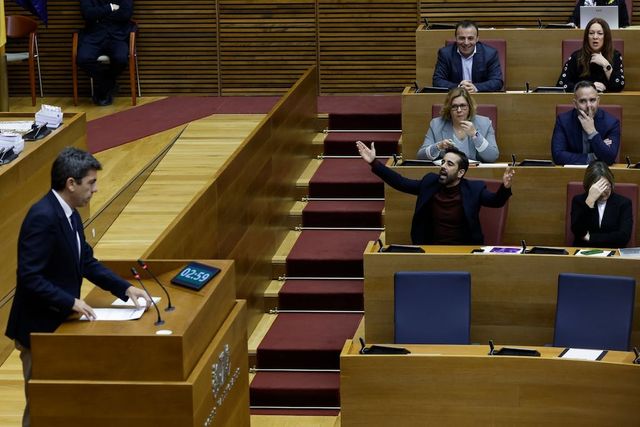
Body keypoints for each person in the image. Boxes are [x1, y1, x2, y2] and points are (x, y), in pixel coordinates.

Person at [5, 147, 151, 427]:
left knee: (62, 403)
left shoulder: (71, 214)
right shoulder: (42, 217)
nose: (95, 190)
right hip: (39, 330)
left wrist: (125, 289)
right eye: (91, 183)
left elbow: (86, 262)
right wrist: (71, 301)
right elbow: (29, 277)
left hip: (61, 324)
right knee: (40, 408)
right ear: (71, 183)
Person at [356, 141, 514, 245]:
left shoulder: (474, 189)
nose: (443, 166)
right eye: (443, 162)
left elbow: (496, 201)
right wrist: (374, 163)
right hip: (430, 249)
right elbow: (401, 182)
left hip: (464, 251)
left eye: (450, 164)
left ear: (460, 173)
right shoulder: (430, 182)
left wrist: (505, 187)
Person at [417, 87, 499, 162]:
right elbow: (421, 156)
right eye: (454, 106)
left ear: (469, 107)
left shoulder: (485, 123)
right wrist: (438, 146)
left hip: (476, 173)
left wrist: (475, 135)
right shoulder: (436, 124)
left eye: (463, 106)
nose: (459, 110)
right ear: (449, 108)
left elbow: (492, 156)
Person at [77, 0, 134, 106]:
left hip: (117, 37)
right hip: (94, 36)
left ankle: (104, 86)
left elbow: (125, 14)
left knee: (121, 59)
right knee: (83, 58)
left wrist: (98, 17)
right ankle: (109, 83)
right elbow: (88, 14)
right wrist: (110, 8)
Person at [551, 80, 620, 165]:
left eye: (592, 100)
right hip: (570, 172)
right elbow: (558, 156)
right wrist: (593, 157)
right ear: (575, 104)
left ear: (598, 101)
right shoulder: (563, 121)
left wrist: (592, 132)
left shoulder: (611, 123)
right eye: (583, 101)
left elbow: (609, 158)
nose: (588, 106)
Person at [571, 160, 632, 248]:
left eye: (606, 186)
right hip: (584, 252)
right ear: (589, 187)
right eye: (599, 187)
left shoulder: (623, 203)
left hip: (614, 254)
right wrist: (589, 201)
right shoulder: (579, 201)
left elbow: (623, 237)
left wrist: (591, 238)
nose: (603, 192)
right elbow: (578, 232)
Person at [432, 20, 503, 93]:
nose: (466, 43)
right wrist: (459, 88)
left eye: (470, 38)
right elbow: (437, 81)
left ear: (477, 39)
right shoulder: (445, 54)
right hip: (455, 99)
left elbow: (497, 82)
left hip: (481, 97)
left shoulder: (490, 54)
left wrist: (476, 87)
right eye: (462, 38)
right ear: (456, 38)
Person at [557, 18, 625, 93]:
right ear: (587, 37)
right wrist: (588, 87)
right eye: (591, 33)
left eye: (600, 33)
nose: (595, 37)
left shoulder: (615, 56)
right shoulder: (577, 57)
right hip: (582, 102)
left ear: (606, 37)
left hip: (608, 101)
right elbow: (561, 85)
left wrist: (606, 65)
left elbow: (618, 86)